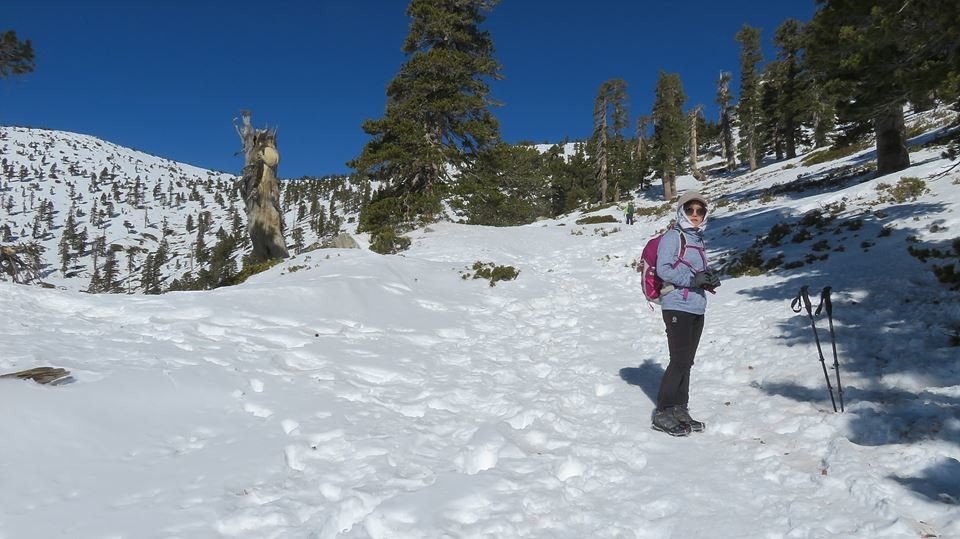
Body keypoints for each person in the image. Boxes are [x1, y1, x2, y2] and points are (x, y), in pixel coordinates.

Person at [651, 191, 721, 436]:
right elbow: (664, 270)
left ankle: (680, 408)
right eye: (689, 210)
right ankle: (663, 411)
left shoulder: (698, 239)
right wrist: (693, 280)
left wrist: (708, 278)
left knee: (687, 362)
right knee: (679, 360)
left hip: (696, 306)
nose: (694, 215)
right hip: (676, 305)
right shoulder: (673, 236)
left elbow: (694, 272)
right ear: (681, 211)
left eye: (699, 211)